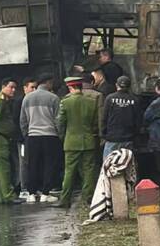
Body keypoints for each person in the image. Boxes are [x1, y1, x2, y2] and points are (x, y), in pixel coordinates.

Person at [51, 77, 99, 208]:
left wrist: (63, 137)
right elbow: (95, 123)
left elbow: (60, 123)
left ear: (70, 87)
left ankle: (65, 200)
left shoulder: (65, 102)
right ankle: (88, 198)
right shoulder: (91, 102)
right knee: (89, 171)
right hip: (88, 141)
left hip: (71, 142)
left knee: (69, 172)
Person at [20, 73, 61, 203]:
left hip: (33, 136)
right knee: (49, 164)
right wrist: (60, 134)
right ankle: (45, 193)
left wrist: (26, 134)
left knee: (32, 165)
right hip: (50, 136)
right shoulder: (54, 98)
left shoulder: (27, 98)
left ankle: (31, 193)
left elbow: (23, 120)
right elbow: (58, 120)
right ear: (48, 83)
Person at [102, 75, 140, 160]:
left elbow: (104, 118)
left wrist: (104, 134)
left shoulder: (109, 98)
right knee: (126, 163)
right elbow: (138, 120)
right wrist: (135, 135)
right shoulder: (135, 100)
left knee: (109, 164)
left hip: (112, 138)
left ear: (116, 85)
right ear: (129, 86)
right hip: (128, 138)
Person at [13, 77, 37, 199]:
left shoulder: (33, 101)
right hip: (23, 138)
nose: (34, 90)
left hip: (33, 136)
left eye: (35, 87)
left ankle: (32, 187)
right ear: (25, 88)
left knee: (33, 162)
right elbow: (17, 120)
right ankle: (24, 188)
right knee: (24, 162)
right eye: (32, 87)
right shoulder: (20, 102)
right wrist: (22, 136)